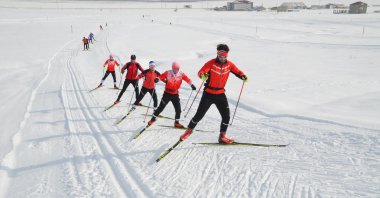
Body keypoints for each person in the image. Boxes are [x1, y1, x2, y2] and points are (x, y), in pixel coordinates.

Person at [179, 44, 248, 144]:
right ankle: (188, 131)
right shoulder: (211, 63)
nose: (223, 59)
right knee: (199, 115)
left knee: (226, 116)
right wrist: (203, 75)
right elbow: (201, 72)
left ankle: (222, 136)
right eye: (221, 56)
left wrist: (243, 76)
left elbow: (237, 71)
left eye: (225, 57)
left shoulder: (229, 65)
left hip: (220, 94)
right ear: (217, 54)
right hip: (208, 94)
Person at [147, 62, 196, 128]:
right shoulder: (168, 72)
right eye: (174, 69)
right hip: (167, 93)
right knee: (161, 107)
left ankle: (177, 123)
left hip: (175, 94)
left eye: (177, 69)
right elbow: (161, 77)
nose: (176, 70)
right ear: (172, 68)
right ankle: (152, 119)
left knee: (178, 109)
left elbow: (187, 79)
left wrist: (191, 85)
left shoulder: (181, 74)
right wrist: (157, 79)